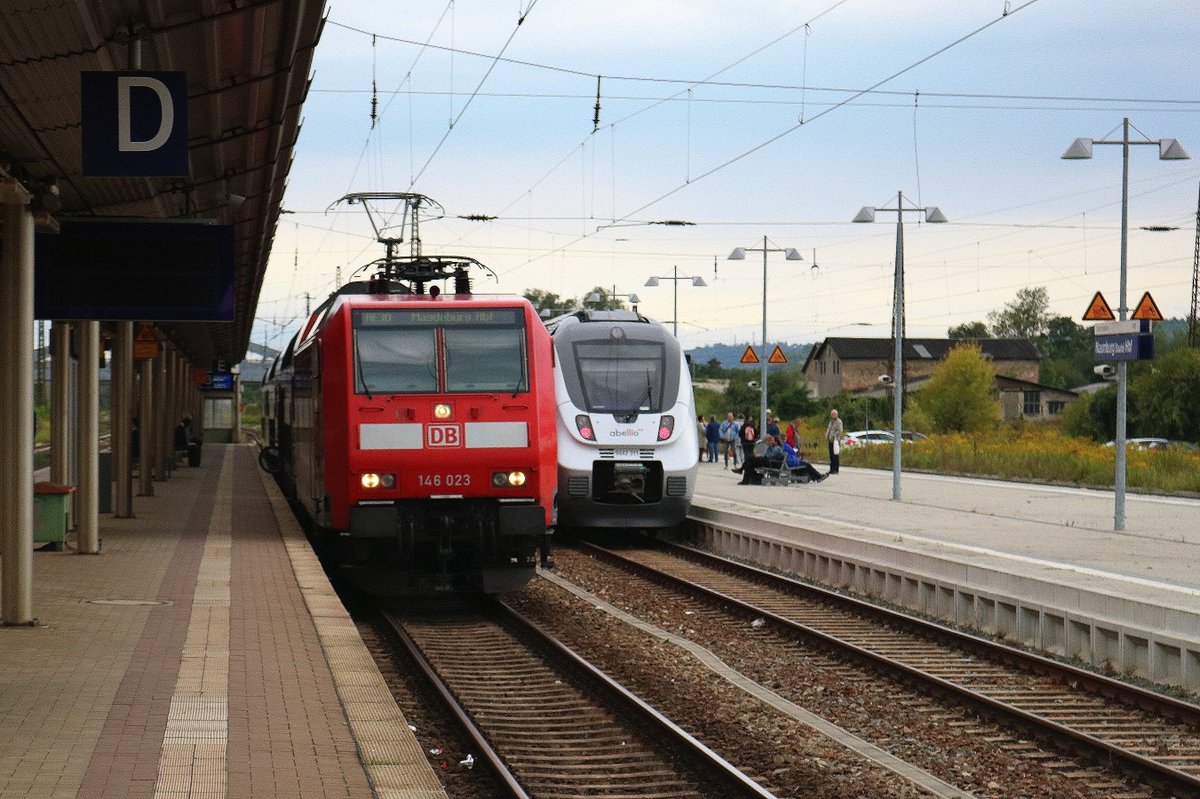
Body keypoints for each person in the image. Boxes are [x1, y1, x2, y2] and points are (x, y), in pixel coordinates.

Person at [826, 408, 843, 475]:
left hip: (835, 441)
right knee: (831, 455)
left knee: (835, 455)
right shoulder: (831, 421)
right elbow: (829, 428)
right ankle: (831, 469)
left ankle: (835, 469)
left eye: (834, 414)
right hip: (830, 440)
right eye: (832, 414)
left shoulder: (839, 422)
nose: (833, 415)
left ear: (837, 414)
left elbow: (840, 430)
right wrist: (827, 434)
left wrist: (834, 435)